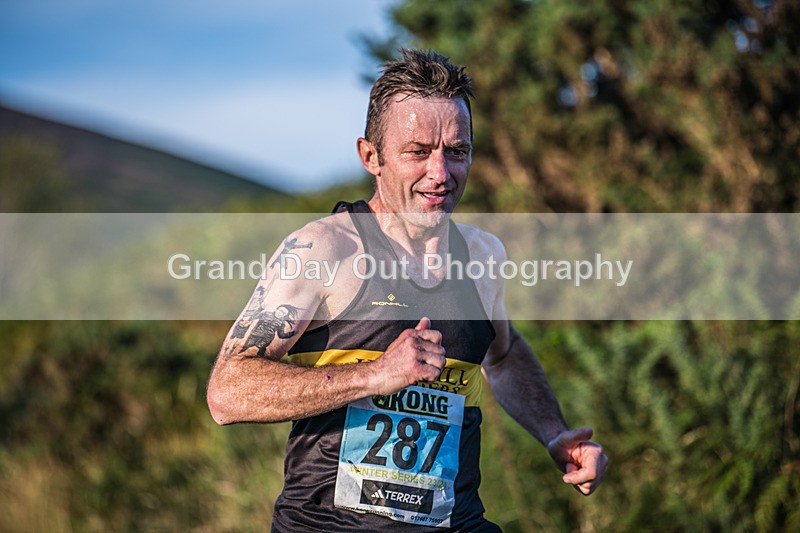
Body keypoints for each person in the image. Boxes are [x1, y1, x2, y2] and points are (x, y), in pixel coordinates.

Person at [207, 48, 608, 532]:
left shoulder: (482, 256)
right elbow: (228, 392)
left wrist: (554, 433)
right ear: (370, 157)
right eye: (417, 152)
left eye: (456, 152)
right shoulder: (322, 249)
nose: (440, 175)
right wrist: (375, 375)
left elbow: (501, 355)